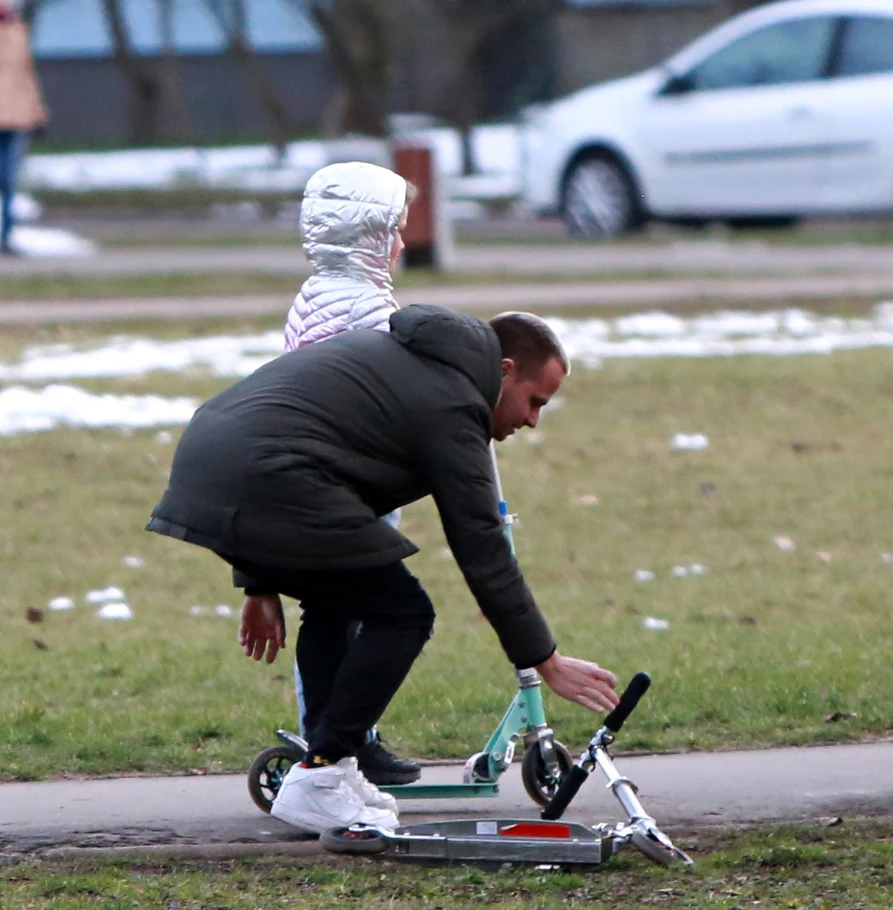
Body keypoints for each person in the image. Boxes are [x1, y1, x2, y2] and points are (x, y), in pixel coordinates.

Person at [146, 305, 620, 833]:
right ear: (504, 371)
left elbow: (299, 437)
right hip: (265, 478)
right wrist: (545, 660)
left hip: (217, 463)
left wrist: (261, 577)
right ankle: (320, 775)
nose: (533, 420)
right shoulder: (454, 400)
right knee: (402, 614)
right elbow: (480, 543)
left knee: (336, 602)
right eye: (535, 401)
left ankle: (328, 767)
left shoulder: (418, 364)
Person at [282, 160, 421, 787]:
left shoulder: (317, 295)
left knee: (335, 613)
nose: (402, 244)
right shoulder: (366, 310)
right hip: (351, 484)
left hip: (326, 475)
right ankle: (339, 743)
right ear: (369, 236)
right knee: (358, 614)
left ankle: (342, 736)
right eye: (396, 230)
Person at [0, 0, 47, 256]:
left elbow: (26, 76)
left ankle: (6, 235)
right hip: (12, 114)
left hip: (15, 117)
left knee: (8, 180)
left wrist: (37, 112)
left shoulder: (18, 34)